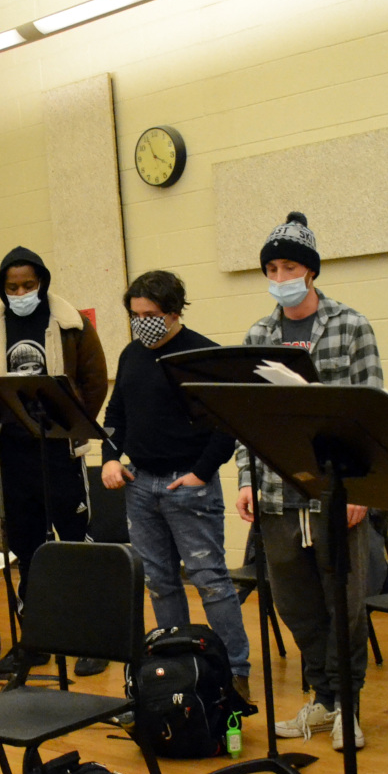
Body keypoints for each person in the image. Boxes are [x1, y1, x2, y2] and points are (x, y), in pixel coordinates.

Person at [235, 211, 386, 749]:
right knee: (296, 604)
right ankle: (322, 699)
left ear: (312, 271)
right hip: (276, 492)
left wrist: (363, 492)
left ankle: (349, 704)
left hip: (335, 492)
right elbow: (247, 415)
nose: (281, 276)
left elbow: (373, 409)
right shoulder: (259, 333)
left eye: (290, 266)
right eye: (272, 268)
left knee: (342, 602)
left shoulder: (350, 326)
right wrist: (244, 478)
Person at [99, 270, 250, 700]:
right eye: (134, 314)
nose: (140, 321)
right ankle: (178, 664)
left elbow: (228, 423)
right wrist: (110, 457)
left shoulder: (203, 354)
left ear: (174, 312)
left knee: (210, 580)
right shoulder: (132, 354)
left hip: (190, 484)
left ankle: (235, 672)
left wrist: (201, 472)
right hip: (141, 483)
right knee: (160, 582)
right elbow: (117, 416)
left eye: (150, 314)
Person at [0, 246, 108, 672]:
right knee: (27, 548)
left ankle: (91, 639)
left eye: (28, 285)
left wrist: (72, 422)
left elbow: (95, 379)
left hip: (61, 449)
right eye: (13, 287)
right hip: (15, 451)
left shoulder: (71, 325)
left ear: (42, 283)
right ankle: (36, 639)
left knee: (73, 542)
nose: (21, 292)